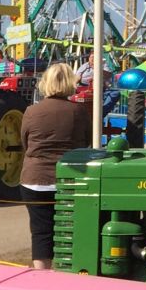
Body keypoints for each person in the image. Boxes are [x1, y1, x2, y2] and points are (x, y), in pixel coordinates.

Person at [18, 62, 92, 267]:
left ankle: (42, 275)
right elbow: (86, 142)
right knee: (69, 230)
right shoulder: (79, 111)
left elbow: (25, 143)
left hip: (35, 179)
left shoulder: (31, 111)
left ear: (45, 83)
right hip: (68, 179)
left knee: (40, 231)